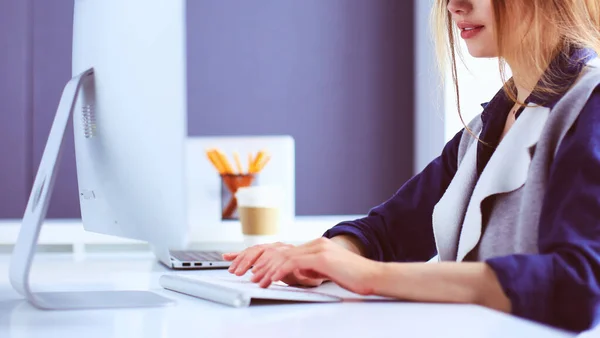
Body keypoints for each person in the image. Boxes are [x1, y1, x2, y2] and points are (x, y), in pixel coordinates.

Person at [223, 0, 600, 332]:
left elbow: (577, 287)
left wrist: (370, 277)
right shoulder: (490, 124)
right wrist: (325, 258)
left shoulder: (590, 106)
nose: (454, 5)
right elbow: (391, 231)